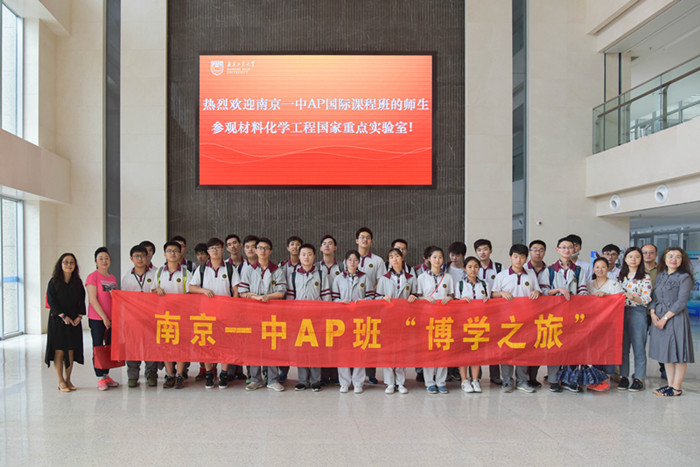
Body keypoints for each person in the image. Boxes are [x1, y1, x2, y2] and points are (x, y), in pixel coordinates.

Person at [189, 237, 241, 390]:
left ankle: (224, 374)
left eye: (217, 248)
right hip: (206, 314)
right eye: (212, 248)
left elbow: (236, 290)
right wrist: (203, 290)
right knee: (207, 344)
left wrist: (234, 309)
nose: (215, 251)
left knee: (224, 345)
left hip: (225, 314)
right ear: (208, 251)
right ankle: (209, 373)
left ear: (222, 250)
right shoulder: (202, 269)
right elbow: (191, 288)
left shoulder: (230, 268)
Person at [238, 237, 288, 392]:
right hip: (253, 314)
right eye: (259, 248)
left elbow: (282, 291)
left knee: (272, 346)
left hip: (272, 315)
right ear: (255, 250)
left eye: (266, 248)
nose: (262, 251)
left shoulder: (276, 270)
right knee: (253, 346)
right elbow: (242, 292)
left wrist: (268, 297)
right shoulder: (248, 270)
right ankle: (255, 379)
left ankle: (273, 380)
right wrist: (254, 297)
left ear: (270, 251)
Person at [491, 244, 541, 394]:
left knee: (523, 350)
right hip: (506, 320)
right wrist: (502, 294)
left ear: (526, 259)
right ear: (510, 257)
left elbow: (537, 289)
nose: (518, 260)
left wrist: (537, 292)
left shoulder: (531, 274)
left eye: (522, 257)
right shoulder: (502, 275)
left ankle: (522, 381)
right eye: (515, 257)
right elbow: (493, 294)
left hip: (525, 319)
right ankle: (507, 380)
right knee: (506, 350)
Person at [649, 247, 695, 397]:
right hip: (659, 317)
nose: (673, 259)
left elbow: (681, 302)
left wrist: (665, 318)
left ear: (682, 260)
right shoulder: (661, 275)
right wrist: (653, 313)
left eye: (677, 257)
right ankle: (670, 385)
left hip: (675, 318)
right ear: (664, 259)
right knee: (666, 353)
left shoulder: (684, 277)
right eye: (670, 256)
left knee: (679, 353)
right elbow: (654, 297)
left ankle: (677, 387)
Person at [409, 246, 453, 394]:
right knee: (428, 349)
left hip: (444, 318)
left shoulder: (448, 277)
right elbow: (417, 297)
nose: (437, 260)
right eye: (434, 257)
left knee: (443, 348)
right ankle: (429, 382)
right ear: (428, 259)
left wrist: (449, 298)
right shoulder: (421, 277)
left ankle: (441, 381)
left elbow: (452, 295)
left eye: (440, 257)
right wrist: (425, 298)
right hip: (427, 318)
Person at [287, 243, 331, 392]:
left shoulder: (321, 274)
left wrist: (325, 316)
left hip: (317, 317)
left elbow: (326, 297)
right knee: (301, 348)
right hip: (299, 318)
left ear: (314, 256)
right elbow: (290, 298)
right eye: (303, 254)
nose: (306, 257)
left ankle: (315, 380)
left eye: (310, 254)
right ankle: (302, 380)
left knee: (315, 348)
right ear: (299, 257)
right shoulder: (293, 275)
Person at [546, 237, 587, 393]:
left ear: (574, 250)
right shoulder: (550, 270)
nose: (567, 250)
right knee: (555, 346)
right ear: (557, 249)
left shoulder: (579, 270)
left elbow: (583, 290)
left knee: (572, 346)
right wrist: (558, 290)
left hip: (573, 314)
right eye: (563, 247)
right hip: (554, 315)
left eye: (570, 247)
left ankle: (569, 379)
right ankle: (553, 379)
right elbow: (544, 291)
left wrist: (577, 298)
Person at [376, 247, 416, 395]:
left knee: (401, 351)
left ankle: (400, 382)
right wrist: (382, 298)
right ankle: (389, 383)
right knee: (388, 351)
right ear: (389, 261)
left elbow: (415, 294)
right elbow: (376, 297)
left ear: (402, 258)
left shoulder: (411, 277)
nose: (395, 259)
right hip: (388, 319)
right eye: (391, 257)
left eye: (397, 256)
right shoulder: (384, 278)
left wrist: (413, 297)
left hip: (404, 319)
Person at [45, 253, 85, 392]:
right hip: (58, 320)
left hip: (73, 321)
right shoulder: (54, 282)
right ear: (60, 264)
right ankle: (60, 380)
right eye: (66, 262)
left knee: (71, 350)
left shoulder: (78, 282)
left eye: (72, 262)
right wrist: (63, 316)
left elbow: (82, 300)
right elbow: (51, 301)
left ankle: (68, 379)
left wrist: (79, 316)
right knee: (60, 350)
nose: (69, 265)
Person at [332, 250, 369, 394]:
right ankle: (344, 382)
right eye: (349, 260)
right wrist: (341, 302)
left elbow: (371, 297)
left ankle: (358, 382)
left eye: (355, 260)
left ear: (359, 262)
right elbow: (333, 298)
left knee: (360, 349)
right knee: (343, 351)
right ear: (345, 262)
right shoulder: (338, 278)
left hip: (360, 318)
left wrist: (362, 301)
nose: (352, 263)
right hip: (343, 319)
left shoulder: (365, 277)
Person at [154, 241, 191, 389]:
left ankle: (180, 375)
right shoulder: (159, 272)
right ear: (164, 254)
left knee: (181, 345)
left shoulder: (186, 273)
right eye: (169, 251)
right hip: (164, 315)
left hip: (181, 315)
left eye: (175, 251)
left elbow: (191, 293)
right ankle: (170, 375)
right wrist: (156, 291)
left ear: (180, 253)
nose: (173, 253)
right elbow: (152, 290)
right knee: (166, 345)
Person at [122, 245, 158, 388]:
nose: (140, 259)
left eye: (142, 256)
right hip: (133, 319)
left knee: (151, 346)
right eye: (136, 256)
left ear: (147, 257)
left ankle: (151, 374)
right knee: (132, 346)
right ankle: (132, 376)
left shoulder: (155, 274)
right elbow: (124, 299)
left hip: (151, 318)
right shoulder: (127, 277)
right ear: (131, 258)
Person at [617, 247, 653, 392]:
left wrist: (633, 297)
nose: (633, 259)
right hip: (621, 312)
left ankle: (639, 378)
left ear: (641, 260)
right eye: (630, 256)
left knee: (639, 346)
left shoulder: (645, 277)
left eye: (637, 257)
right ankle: (623, 376)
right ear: (625, 259)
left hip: (638, 312)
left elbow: (646, 299)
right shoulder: (620, 276)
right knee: (623, 347)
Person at [586, 257, 624, 391]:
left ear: (608, 268)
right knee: (595, 351)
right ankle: (596, 379)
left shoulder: (614, 285)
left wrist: (607, 296)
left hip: (609, 324)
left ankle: (606, 379)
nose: (600, 270)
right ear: (593, 269)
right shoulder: (588, 285)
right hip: (593, 324)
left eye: (603, 267)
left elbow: (620, 301)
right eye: (597, 267)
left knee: (607, 350)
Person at [355, 227, 386, 384]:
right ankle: (355, 374)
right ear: (357, 240)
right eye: (362, 237)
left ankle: (371, 374)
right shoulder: (350, 258)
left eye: (367, 237)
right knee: (354, 339)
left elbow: (381, 281)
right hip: (353, 306)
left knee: (370, 338)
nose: (364, 240)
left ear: (371, 241)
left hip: (371, 304)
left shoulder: (378, 261)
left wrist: (369, 293)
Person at [85, 247, 119, 391]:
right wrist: (104, 317)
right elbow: (93, 300)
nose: (104, 261)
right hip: (97, 318)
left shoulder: (112, 278)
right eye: (101, 258)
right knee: (98, 347)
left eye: (106, 258)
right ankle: (99, 377)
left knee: (109, 347)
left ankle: (106, 375)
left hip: (112, 318)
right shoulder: (93, 277)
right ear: (96, 261)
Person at [455, 256, 489, 393]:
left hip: (480, 323)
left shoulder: (484, 284)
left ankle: (475, 380)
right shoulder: (460, 285)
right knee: (463, 352)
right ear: (465, 268)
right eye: (469, 267)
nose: (473, 269)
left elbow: (490, 301)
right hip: (464, 323)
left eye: (475, 266)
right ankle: (464, 380)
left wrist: (487, 300)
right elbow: (454, 304)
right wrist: (461, 301)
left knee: (477, 352)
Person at [473, 238, 502, 385]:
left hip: (494, 311)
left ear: (490, 250)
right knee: (476, 341)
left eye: (485, 249)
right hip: (476, 311)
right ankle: (476, 376)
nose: (482, 252)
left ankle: (495, 375)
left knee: (494, 342)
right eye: (479, 250)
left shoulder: (498, 267)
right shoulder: (472, 266)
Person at [524, 240, 549, 387]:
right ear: (529, 252)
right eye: (535, 250)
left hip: (543, 313)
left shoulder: (550, 270)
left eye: (541, 250)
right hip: (524, 314)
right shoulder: (523, 269)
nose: (538, 253)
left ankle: (532, 377)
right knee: (524, 346)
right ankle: (523, 377)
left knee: (538, 346)